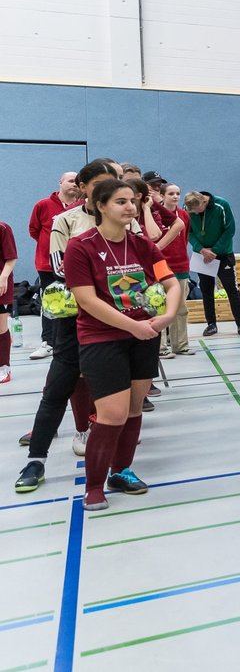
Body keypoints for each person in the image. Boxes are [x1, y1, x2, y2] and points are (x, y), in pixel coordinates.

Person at [61, 178, 182, 510]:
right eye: (121, 201)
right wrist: (134, 326)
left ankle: (122, 471)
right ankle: (94, 486)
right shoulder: (80, 246)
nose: (130, 206)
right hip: (102, 338)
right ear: (100, 205)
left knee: (132, 408)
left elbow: (171, 283)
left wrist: (167, 317)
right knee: (111, 414)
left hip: (143, 335)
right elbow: (86, 300)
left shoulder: (143, 246)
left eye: (132, 201)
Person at [14, 160, 119, 493]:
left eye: (115, 182)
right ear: (85, 185)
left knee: (114, 392)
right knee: (58, 387)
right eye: (103, 182)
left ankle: (118, 463)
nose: (111, 188)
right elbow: (63, 270)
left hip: (115, 322)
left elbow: (134, 267)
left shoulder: (122, 218)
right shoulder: (65, 220)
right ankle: (36, 460)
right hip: (76, 319)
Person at [27, 171, 81, 359]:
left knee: (73, 303)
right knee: (51, 303)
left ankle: (70, 341)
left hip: (75, 265)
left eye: (77, 182)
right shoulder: (43, 205)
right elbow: (34, 230)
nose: (74, 184)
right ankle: (48, 342)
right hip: (47, 265)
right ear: (60, 182)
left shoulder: (80, 208)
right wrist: (50, 249)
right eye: (70, 181)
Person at [185, 189, 240, 337]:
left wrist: (214, 250)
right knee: (207, 291)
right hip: (202, 256)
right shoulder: (188, 209)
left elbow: (230, 230)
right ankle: (211, 325)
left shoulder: (222, 205)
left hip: (222, 254)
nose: (194, 213)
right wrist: (201, 249)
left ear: (204, 202)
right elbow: (187, 232)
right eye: (192, 211)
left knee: (232, 289)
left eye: (197, 210)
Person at [144, 181, 192, 358]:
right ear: (162, 196)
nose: (175, 197)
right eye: (171, 193)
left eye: (178, 193)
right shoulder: (154, 213)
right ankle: (161, 346)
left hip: (180, 265)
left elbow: (184, 239)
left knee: (181, 308)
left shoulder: (184, 216)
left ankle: (181, 345)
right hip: (160, 266)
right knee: (158, 306)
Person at [0, 219, 16, 383]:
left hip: (0, 285)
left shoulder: (3, 228)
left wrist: (3, 277)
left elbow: (11, 258)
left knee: (0, 327)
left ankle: (3, 367)